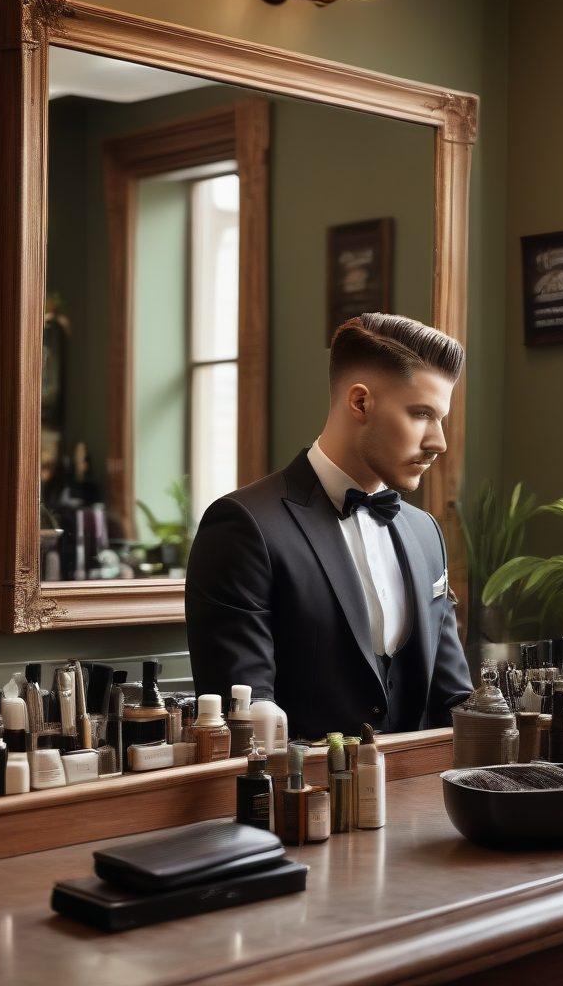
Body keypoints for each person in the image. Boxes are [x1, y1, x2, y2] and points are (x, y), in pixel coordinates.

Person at [186, 312, 473, 740]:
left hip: (425, 799)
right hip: (299, 800)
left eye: (441, 418)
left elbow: (454, 699)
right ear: (360, 402)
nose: (439, 442)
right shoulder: (244, 526)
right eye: (421, 415)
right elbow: (246, 720)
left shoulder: (425, 533)